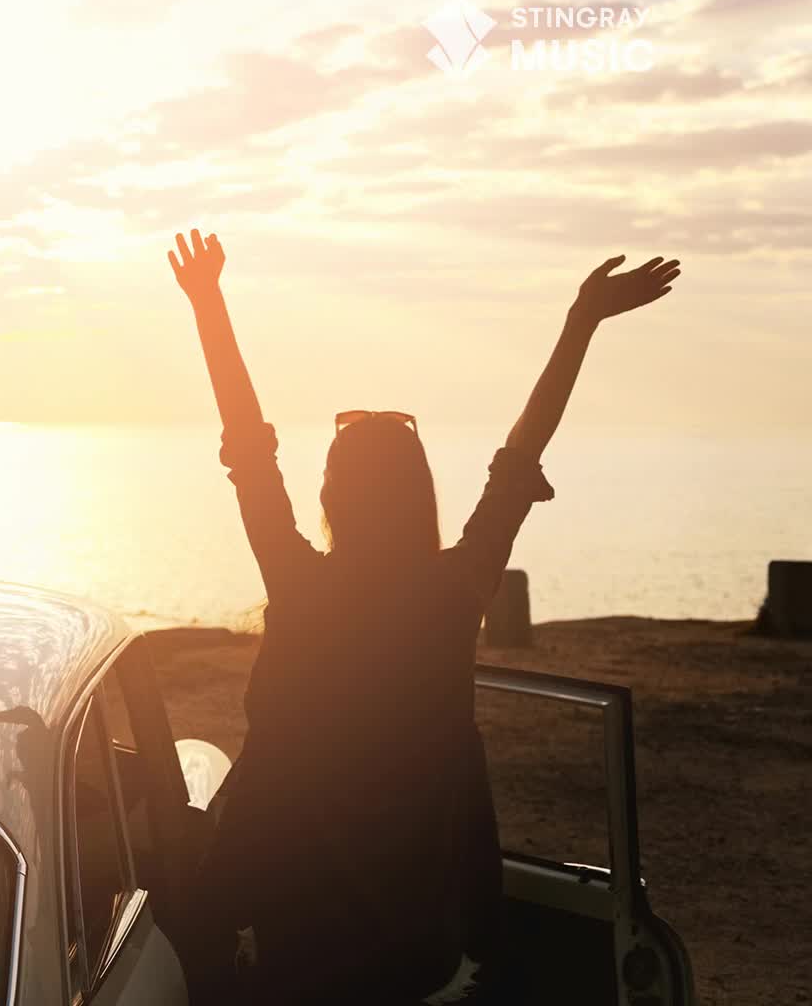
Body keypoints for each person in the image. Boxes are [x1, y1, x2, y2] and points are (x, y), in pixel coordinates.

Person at [165, 230, 679, 1003]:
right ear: (420, 495)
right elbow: (520, 456)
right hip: (422, 949)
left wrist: (208, 303)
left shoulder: (302, 585)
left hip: (297, 943)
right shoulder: (452, 594)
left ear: (333, 498)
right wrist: (581, 322)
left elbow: (249, 451)